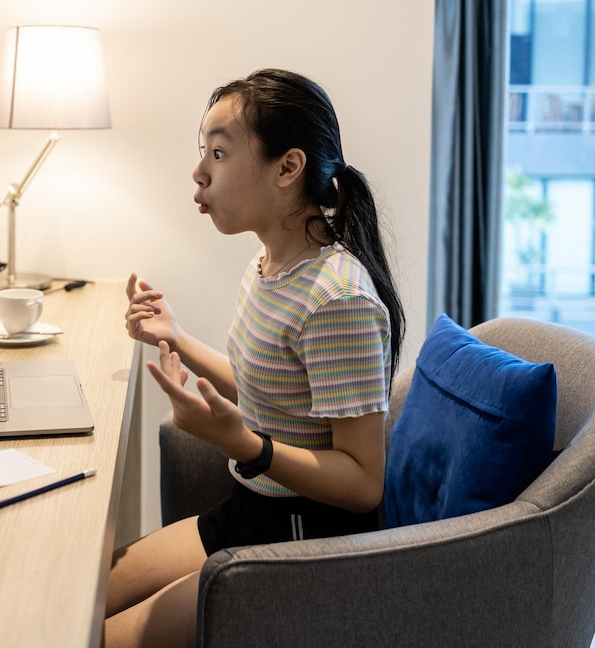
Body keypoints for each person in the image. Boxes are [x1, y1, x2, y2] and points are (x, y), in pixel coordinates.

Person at [104, 68, 406, 648]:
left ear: (288, 168)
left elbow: (365, 484)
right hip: (250, 510)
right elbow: (268, 389)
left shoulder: (337, 299)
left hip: (304, 543)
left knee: (96, 636)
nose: (199, 172)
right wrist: (177, 337)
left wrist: (241, 443)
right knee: (85, 594)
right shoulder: (270, 264)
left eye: (219, 153)